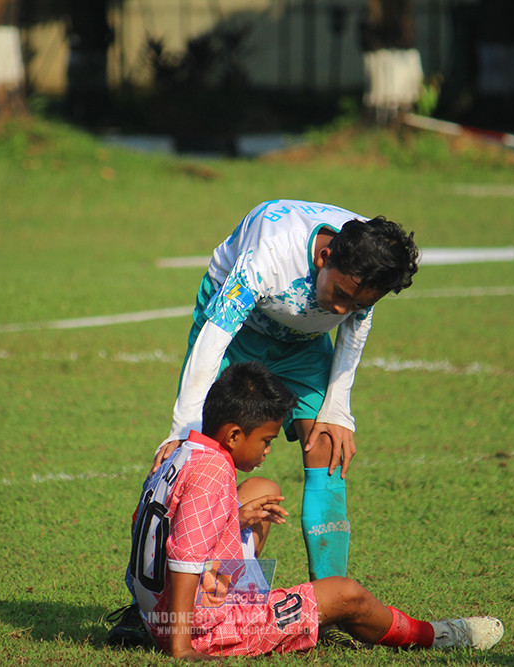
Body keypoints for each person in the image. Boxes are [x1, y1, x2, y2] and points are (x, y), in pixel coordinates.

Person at [108, 199, 420, 646]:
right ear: (323, 257)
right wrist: (183, 431)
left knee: (328, 448)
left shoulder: (366, 263)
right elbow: (216, 332)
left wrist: (338, 409)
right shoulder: (271, 254)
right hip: (233, 333)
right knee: (201, 460)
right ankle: (150, 608)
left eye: (358, 303)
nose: (343, 310)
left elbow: (354, 330)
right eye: (342, 296)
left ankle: (326, 614)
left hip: (302, 346)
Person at [124, 362, 504, 658]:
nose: (269, 451)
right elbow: (186, 558)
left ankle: (182, 618)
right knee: (345, 594)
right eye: (267, 441)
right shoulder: (213, 470)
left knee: (262, 490)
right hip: (200, 626)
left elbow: (157, 527)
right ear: (234, 435)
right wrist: (182, 646)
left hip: (157, 610)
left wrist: (229, 521)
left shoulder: (185, 451)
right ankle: (436, 635)